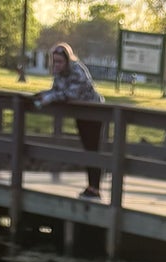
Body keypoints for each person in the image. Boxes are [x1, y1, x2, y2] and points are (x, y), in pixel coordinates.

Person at [36, 43, 106, 200]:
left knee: (93, 148)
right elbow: (56, 90)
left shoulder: (77, 71)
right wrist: (42, 94)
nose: (57, 65)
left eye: (60, 61)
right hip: (80, 113)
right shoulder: (59, 73)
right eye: (55, 61)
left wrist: (50, 98)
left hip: (94, 112)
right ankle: (91, 186)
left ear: (67, 60)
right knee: (86, 148)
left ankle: (95, 188)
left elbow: (70, 94)